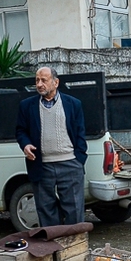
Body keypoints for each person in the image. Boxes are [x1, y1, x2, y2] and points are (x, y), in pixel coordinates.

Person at [16, 66, 88, 227]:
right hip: (41, 165)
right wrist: (25, 144)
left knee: (74, 211)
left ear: (56, 83)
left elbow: (80, 133)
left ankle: (74, 249)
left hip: (70, 163)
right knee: (45, 210)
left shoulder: (73, 104)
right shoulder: (27, 106)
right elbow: (21, 131)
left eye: (44, 80)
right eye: (37, 80)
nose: (39, 84)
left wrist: (79, 159)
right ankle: (52, 249)